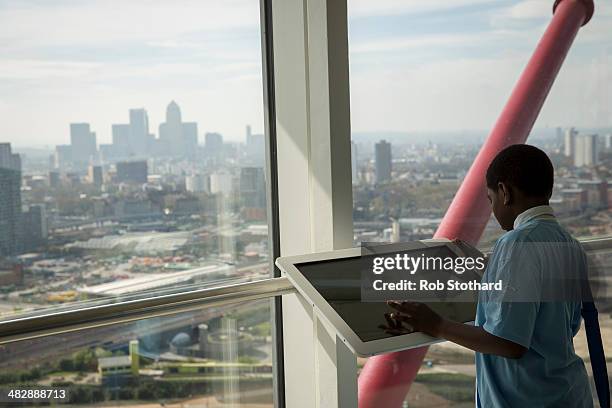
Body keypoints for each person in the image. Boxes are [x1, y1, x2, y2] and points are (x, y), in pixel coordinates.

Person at [382, 144, 593, 407]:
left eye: (490, 199)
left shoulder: (517, 243)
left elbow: (510, 343)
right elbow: (560, 324)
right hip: (567, 393)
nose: (493, 210)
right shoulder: (569, 244)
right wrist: (490, 273)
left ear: (504, 192)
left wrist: (436, 324)